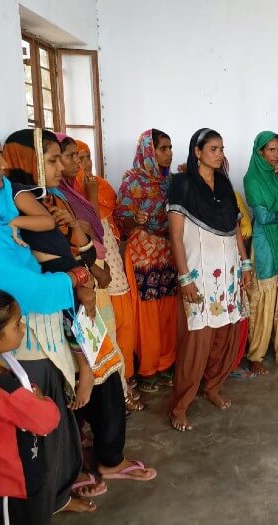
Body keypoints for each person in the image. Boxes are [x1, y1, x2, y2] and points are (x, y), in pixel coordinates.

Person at [0, 126, 99, 513]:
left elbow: (69, 242)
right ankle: (51, 497)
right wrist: (74, 277)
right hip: (30, 328)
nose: (1, 164)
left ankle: (61, 490)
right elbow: (25, 272)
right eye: (52, 159)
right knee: (39, 424)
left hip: (52, 313)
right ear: (31, 161)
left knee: (56, 412)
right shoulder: (14, 198)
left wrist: (76, 265)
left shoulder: (28, 199)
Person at [167, 128, 251, 431]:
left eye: (221, 149)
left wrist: (246, 264)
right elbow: (176, 237)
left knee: (224, 334)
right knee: (197, 339)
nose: (219, 154)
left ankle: (213, 386)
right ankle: (180, 405)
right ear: (197, 152)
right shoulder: (182, 185)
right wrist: (185, 278)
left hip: (227, 272)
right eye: (213, 149)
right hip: (199, 274)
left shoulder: (225, 186)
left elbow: (235, 229)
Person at [74, 140, 141, 410]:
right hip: (94, 272)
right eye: (77, 158)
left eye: (87, 157)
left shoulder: (102, 186)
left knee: (125, 325)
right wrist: (89, 194)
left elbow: (115, 227)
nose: (85, 164)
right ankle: (119, 391)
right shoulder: (70, 193)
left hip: (112, 263)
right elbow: (89, 227)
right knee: (106, 333)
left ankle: (124, 378)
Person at [0, 290, 61, 525]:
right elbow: (47, 420)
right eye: (16, 324)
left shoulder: (4, 370)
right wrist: (40, 398)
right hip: (9, 486)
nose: (22, 327)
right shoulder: (5, 390)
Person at [115, 129, 178, 392]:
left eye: (170, 148)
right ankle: (148, 367)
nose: (169, 153)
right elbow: (122, 218)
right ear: (148, 152)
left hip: (169, 249)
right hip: (143, 251)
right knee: (148, 312)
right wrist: (136, 219)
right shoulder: (133, 181)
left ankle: (167, 362)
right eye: (162, 149)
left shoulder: (172, 181)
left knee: (169, 309)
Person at [243, 131, 278, 375]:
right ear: (260, 152)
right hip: (264, 242)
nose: (276, 154)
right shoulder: (251, 178)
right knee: (262, 297)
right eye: (271, 150)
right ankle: (256, 353)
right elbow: (263, 216)